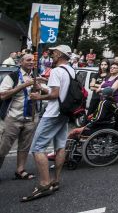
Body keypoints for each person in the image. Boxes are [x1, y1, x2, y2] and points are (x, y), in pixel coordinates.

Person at [21, 44, 75, 202]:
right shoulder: (71, 70)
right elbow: (60, 93)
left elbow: (55, 95)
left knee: (37, 148)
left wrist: (38, 97)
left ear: (60, 54)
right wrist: (44, 87)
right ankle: (55, 180)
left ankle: (44, 184)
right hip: (65, 112)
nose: (52, 54)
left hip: (53, 114)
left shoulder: (57, 71)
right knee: (60, 146)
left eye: (54, 52)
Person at [0, 53, 38, 181]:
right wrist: (23, 85)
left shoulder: (35, 77)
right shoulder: (12, 76)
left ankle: (20, 170)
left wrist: (40, 88)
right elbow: (3, 95)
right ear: (20, 62)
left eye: (32, 60)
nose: (31, 62)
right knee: (2, 147)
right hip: (12, 117)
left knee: (24, 146)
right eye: (28, 60)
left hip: (30, 118)